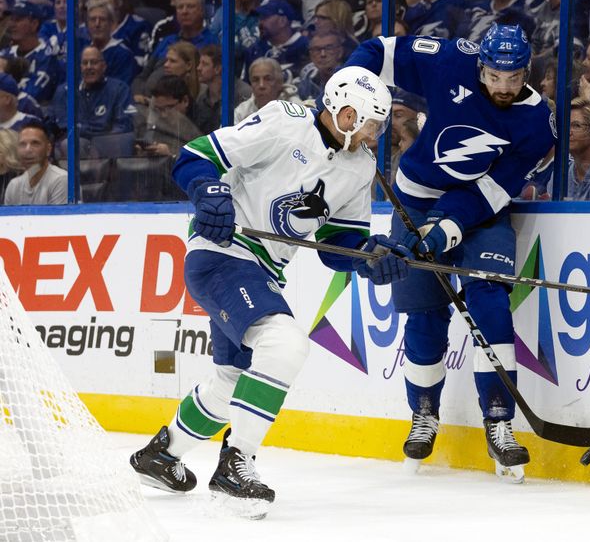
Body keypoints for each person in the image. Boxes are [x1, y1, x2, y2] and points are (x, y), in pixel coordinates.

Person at [129, 66, 410, 514]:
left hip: (261, 271)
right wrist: (207, 191)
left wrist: (368, 256)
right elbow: (195, 156)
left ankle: (160, 455)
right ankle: (236, 463)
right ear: (347, 113)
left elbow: (336, 246)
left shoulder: (360, 165)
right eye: (373, 124)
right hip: (221, 253)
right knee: (285, 343)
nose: (376, 135)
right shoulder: (285, 121)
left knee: (231, 380)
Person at [345, 23, 556, 479]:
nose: (503, 87)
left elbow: (493, 189)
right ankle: (424, 414)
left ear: (527, 71)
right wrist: (349, 92)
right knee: (424, 313)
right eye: (495, 76)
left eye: (513, 77)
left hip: (479, 213)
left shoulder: (538, 123)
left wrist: (447, 230)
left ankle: (500, 424)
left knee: (491, 303)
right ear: (480, 65)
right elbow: (377, 51)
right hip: (414, 200)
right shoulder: (449, 61)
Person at [49, 46, 136, 143]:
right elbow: (62, 127)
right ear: (80, 67)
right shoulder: (65, 92)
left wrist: (98, 140)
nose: (89, 67)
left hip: (108, 147)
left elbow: (123, 126)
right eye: (85, 63)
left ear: (104, 66)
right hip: (74, 148)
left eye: (94, 62)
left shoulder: (119, 89)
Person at [0, 0, 63, 103]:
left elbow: (31, 98)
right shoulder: (6, 52)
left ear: (34, 24)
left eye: (18, 19)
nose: (12, 25)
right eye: (12, 19)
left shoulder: (47, 57)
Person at [243, 0, 308, 84]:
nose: (260, 23)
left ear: (283, 21)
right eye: (260, 18)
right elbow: (248, 86)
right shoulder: (254, 51)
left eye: (265, 17)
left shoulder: (307, 47)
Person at [4, 120, 67, 205]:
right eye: (22, 144)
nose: (28, 150)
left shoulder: (61, 180)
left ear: (48, 149)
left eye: (35, 143)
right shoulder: (13, 186)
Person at [195, 44, 252, 133]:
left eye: (204, 64)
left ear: (218, 68)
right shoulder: (201, 97)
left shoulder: (243, 94)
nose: (198, 68)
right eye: (199, 63)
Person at [83, 0, 138, 85]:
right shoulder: (82, 51)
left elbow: (120, 91)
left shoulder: (123, 55)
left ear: (112, 24)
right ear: (87, 24)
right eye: (93, 19)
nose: (97, 24)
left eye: (102, 19)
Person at [233, 57, 299, 124]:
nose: (261, 85)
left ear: (280, 83)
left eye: (268, 79)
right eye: (255, 80)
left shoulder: (295, 108)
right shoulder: (242, 112)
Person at [297, 30, 346, 102]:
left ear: (340, 52)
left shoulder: (351, 78)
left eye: (329, 48)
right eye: (317, 49)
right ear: (311, 55)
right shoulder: (307, 80)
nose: (323, 54)